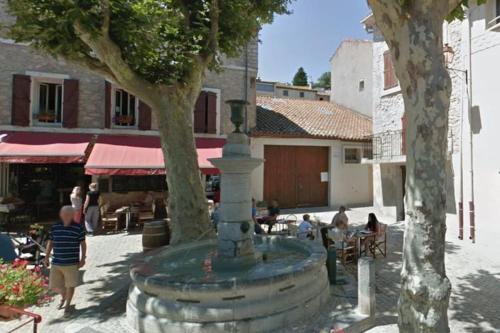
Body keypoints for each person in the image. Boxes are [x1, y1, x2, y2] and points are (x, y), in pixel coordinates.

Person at [44, 206, 86, 316]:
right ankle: (64, 296)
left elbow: (83, 244)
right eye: (64, 214)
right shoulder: (55, 227)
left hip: (71, 263)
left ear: (72, 216)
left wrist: (83, 259)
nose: (66, 217)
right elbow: (50, 242)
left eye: (68, 215)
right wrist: (46, 256)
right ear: (61, 215)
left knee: (70, 285)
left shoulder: (78, 228)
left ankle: (67, 306)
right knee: (53, 286)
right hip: (56, 262)